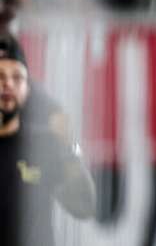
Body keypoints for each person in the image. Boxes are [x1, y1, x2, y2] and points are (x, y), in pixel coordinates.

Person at [0, 14, 97, 246]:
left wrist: (70, 148)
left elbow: (84, 206)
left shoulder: (41, 143)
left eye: (16, 78)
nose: (8, 85)